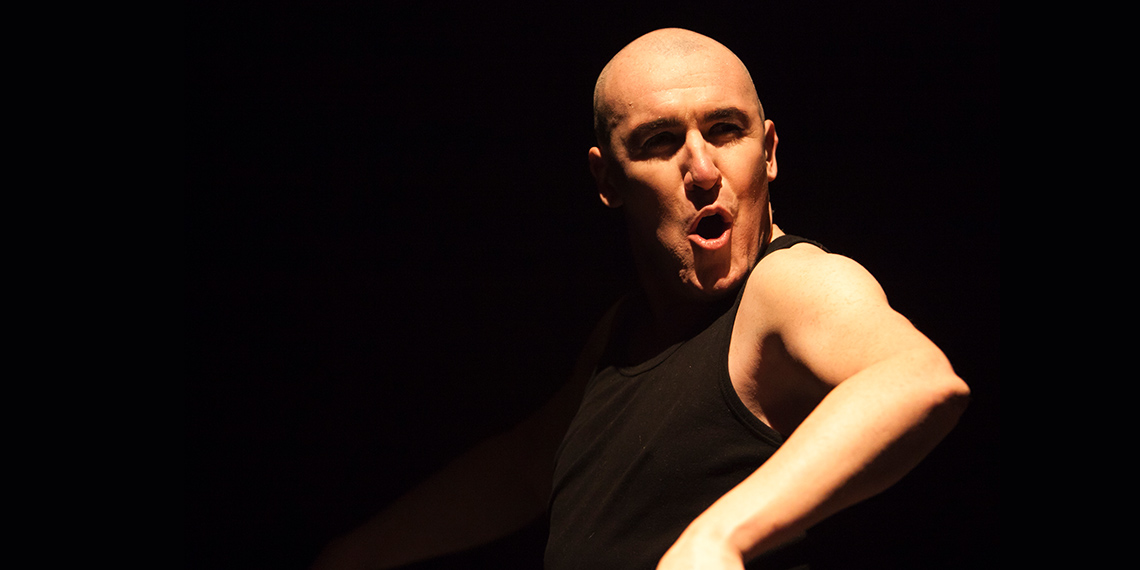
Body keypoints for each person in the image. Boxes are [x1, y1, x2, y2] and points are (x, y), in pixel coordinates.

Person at [312, 28, 970, 570]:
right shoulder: (623, 332)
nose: (703, 170)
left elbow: (916, 379)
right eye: (659, 142)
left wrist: (720, 537)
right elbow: (527, 469)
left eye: (725, 131)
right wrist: (351, 556)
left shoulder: (789, 284)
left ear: (769, 152)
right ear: (607, 178)